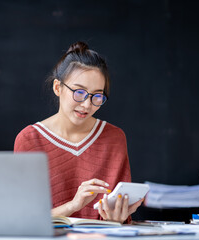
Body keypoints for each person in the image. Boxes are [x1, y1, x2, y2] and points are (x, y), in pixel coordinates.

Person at [14, 41, 143, 223]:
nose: (87, 105)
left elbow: (118, 218)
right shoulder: (29, 139)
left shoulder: (114, 138)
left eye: (97, 96)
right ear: (58, 88)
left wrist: (118, 218)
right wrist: (74, 205)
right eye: (79, 92)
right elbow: (22, 219)